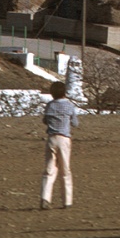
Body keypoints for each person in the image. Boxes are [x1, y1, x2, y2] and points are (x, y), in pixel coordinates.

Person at [40, 80, 79, 210]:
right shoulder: (69, 105)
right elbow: (75, 123)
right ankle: (67, 201)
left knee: (49, 169)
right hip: (64, 138)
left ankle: (45, 197)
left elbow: (45, 120)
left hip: (51, 138)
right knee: (65, 170)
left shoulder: (50, 105)